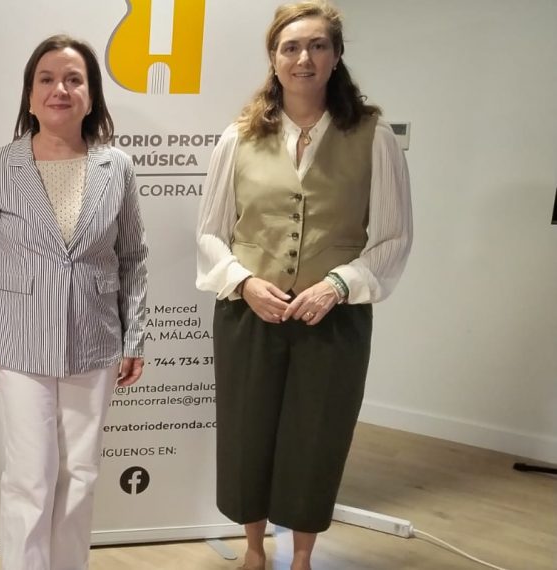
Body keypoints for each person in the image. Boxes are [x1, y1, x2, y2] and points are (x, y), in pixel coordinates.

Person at [195, 2, 413, 569]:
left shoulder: (372, 135)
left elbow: (394, 237)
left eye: (318, 46)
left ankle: (302, 558)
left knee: (317, 438)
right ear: (274, 58)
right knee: (247, 434)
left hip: (334, 318)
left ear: (336, 56)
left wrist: (338, 284)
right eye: (290, 47)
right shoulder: (238, 137)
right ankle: (253, 550)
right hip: (248, 314)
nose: (304, 58)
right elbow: (211, 233)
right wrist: (244, 283)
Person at [0, 34, 149, 570]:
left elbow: (133, 257)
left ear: (91, 95)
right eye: (46, 79)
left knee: (81, 473)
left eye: (73, 79)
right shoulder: (0, 165)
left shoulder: (117, 167)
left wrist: (134, 337)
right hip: (20, 343)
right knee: (29, 477)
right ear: (29, 94)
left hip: (95, 342)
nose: (59, 89)